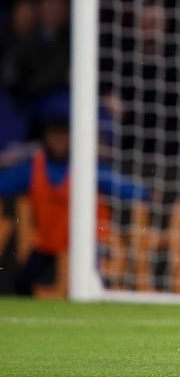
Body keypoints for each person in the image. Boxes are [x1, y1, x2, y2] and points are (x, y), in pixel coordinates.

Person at [0, 97, 150, 295]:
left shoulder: (85, 166)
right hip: (50, 239)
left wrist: (144, 192)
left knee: (93, 283)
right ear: (46, 137)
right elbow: (6, 183)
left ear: (72, 137)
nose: (59, 140)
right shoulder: (34, 167)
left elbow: (117, 184)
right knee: (22, 282)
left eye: (64, 135)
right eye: (54, 134)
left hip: (86, 240)